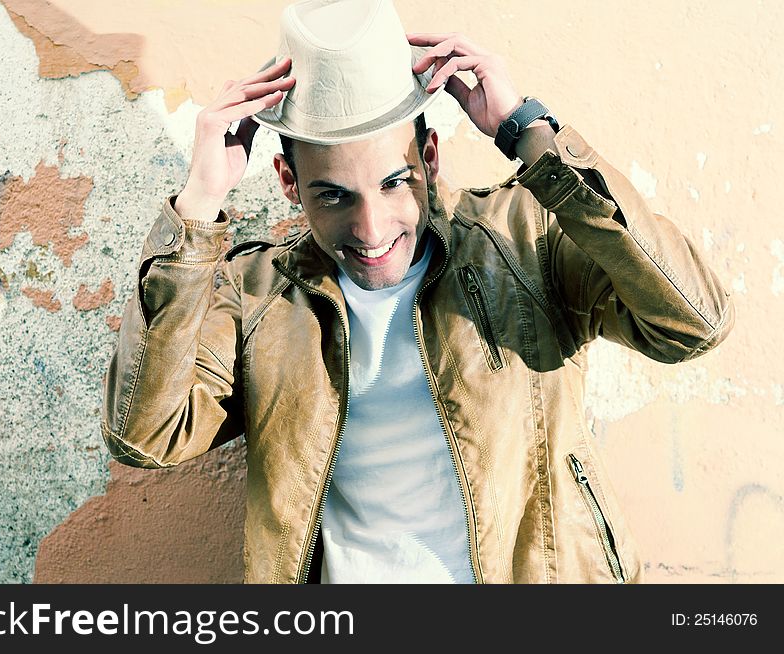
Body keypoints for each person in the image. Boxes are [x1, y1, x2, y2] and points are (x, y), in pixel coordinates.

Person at [102, 0, 734, 584]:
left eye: (394, 182)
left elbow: (693, 322)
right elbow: (147, 435)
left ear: (430, 156)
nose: (371, 229)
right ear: (288, 181)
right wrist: (197, 210)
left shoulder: (525, 240)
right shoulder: (258, 298)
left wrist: (530, 134)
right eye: (334, 196)